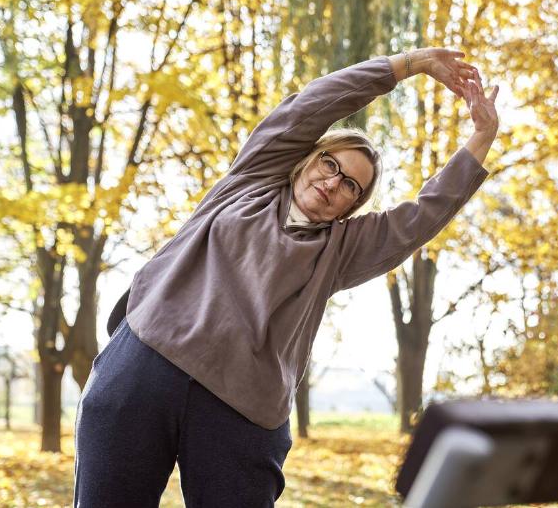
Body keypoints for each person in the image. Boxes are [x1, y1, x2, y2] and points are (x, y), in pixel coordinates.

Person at [73, 47, 499, 507]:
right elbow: (315, 104)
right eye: (330, 164)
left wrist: (482, 135)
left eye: (351, 186)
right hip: (145, 367)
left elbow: (423, 215)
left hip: (241, 408)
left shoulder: (340, 249)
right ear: (308, 159)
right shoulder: (252, 178)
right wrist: (408, 64)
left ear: (351, 208)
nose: (335, 183)